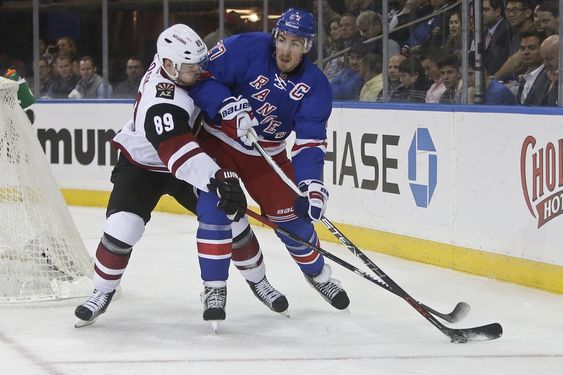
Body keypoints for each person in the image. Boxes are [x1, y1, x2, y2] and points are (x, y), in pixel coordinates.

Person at [73, 24, 248, 330]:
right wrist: (219, 178)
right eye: (192, 65)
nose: (199, 69)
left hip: (183, 159)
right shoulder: (162, 100)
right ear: (169, 65)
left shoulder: (173, 63)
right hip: (144, 165)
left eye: (199, 62)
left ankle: (237, 286)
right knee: (121, 228)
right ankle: (101, 292)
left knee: (231, 219)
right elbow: (180, 155)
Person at [190, 8, 350, 311]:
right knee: (214, 209)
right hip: (219, 143)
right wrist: (227, 106)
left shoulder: (315, 85)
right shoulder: (246, 47)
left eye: (296, 43)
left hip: (268, 154)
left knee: (294, 219)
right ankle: (213, 288)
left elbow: (309, 142)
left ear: (307, 47)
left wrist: (311, 185)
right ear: (275, 37)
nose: (286, 50)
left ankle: (318, 274)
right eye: (283, 39)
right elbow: (201, 79)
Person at [515, 30, 549, 105]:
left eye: (532, 48)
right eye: (523, 49)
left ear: (542, 49)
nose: (526, 52)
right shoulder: (524, 79)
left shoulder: (548, 77)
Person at [540, 34, 559, 106]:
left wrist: (556, 83)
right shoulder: (543, 75)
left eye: (549, 59)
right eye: (543, 59)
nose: (545, 64)